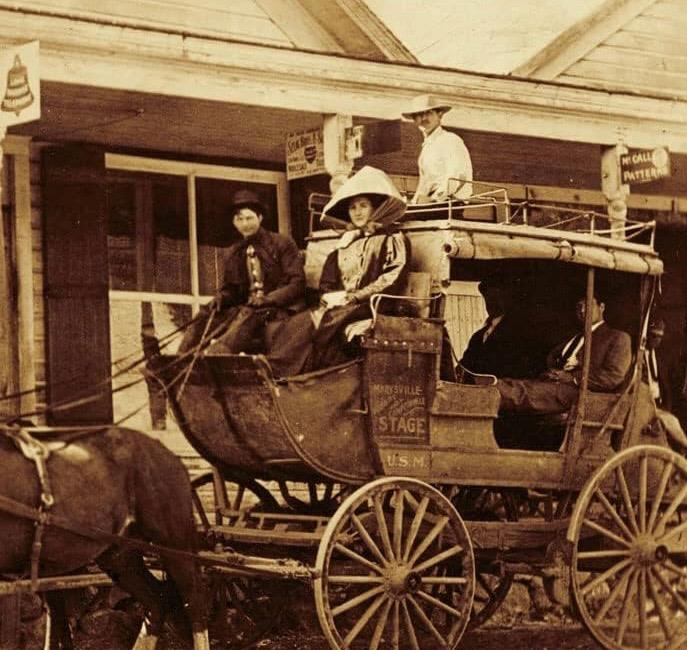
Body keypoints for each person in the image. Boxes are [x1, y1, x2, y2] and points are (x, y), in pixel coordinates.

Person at [268, 166, 410, 376]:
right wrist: (330, 296)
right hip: (344, 306)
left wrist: (355, 296)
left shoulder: (392, 238)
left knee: (321, 323)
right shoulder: (345, 244)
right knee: (299, 321)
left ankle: (286, 370)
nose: (358, 211)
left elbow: (392, 277)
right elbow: (328, 280)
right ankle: (283, 370)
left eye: (363, 205)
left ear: (375, 208)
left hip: (375, 304)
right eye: (353, 208)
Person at [178, 189, 305, 354]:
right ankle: (180, 359)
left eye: (249, 218)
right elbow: (233, 289)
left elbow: (297, 283)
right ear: (234, 222)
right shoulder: (234, 251)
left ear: (260, 218)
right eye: (239, 219)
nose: (245, 224)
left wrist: (268, 299)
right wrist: (222, 297)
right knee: (205, 314)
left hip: (280, 309)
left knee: (247, 315)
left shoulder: (282, 243)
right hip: (249, 310)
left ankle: (217, 355)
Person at [497, 294, 632, 413]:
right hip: (556, 384)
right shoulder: (576, 337)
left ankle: (491, 393)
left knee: (523, 392)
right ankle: (493, 385)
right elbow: (553, 356)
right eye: (579, 307)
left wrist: (572, 378)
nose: (583, 311)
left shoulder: (617, 337)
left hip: (582, 393)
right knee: (517, 384)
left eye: (587, 305)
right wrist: (555, 372)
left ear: (601, 307)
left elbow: (612, 377)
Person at [458, 275, 537, 379]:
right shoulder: (478, 336)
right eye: (488, 297)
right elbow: (464, 366)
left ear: (507, 298)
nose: (491, 302)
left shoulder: (518, 332)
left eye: (496, 297)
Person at [402, 94, 473, 204]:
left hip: (450, 204)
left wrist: (435, 199)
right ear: (414, 120)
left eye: (428, 113)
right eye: (419, 115)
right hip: (433, 204)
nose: (424, 118)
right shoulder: (426, 148)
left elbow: (458, 176)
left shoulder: (450, 140)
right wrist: (414, 203)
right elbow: (424, 184)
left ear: (439, 115)